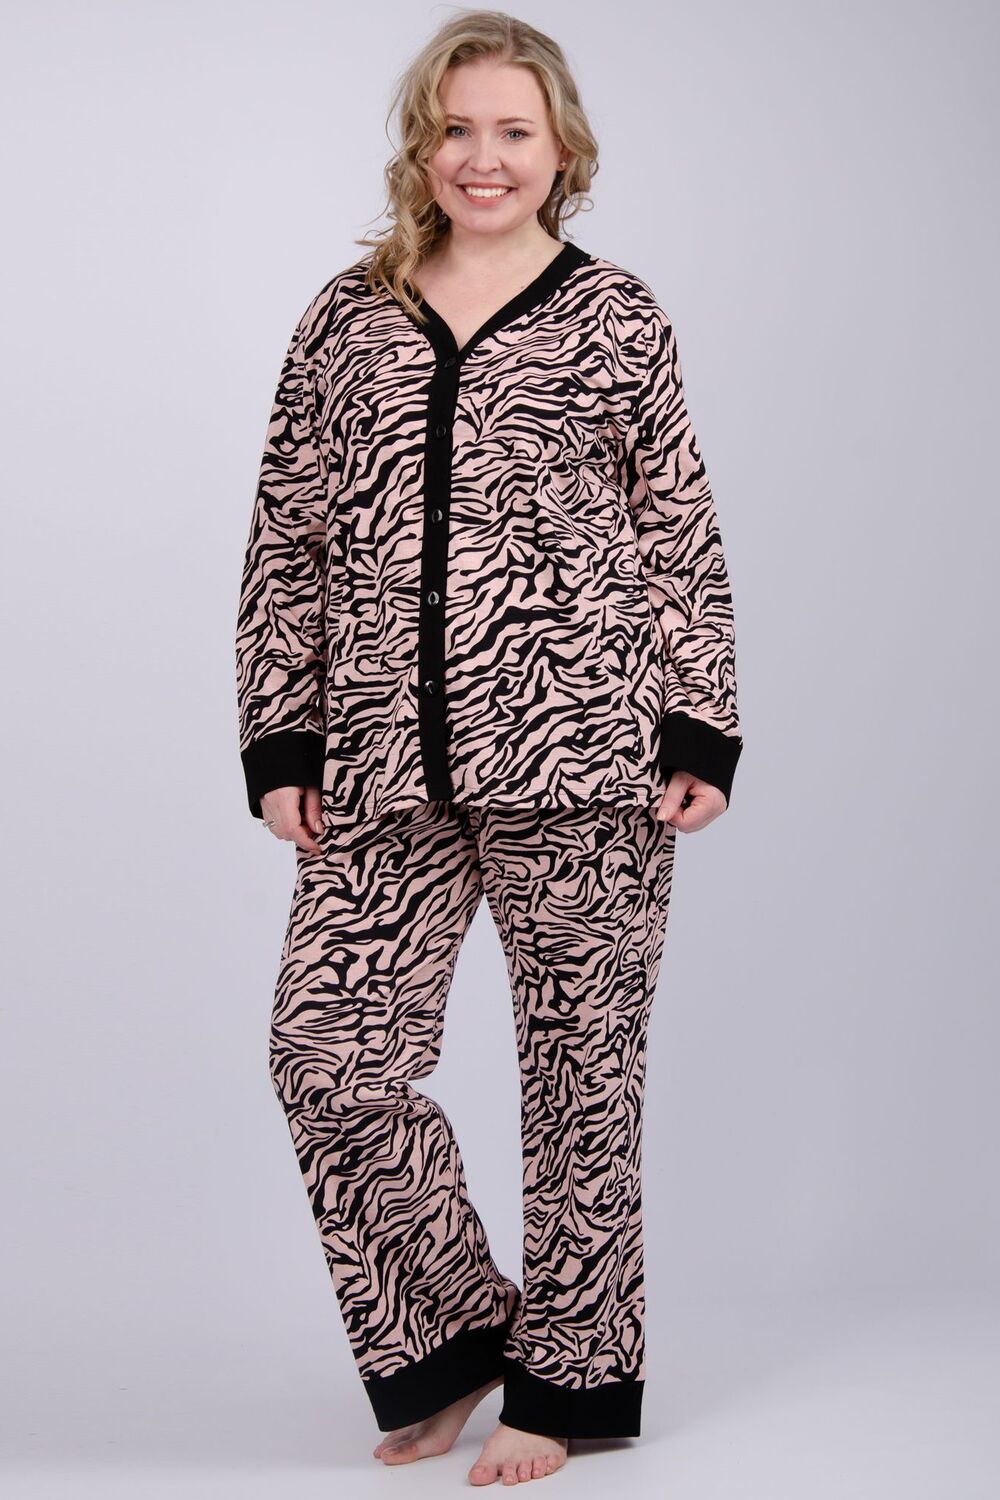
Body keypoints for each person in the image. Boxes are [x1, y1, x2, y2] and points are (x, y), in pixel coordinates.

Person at [234, 11, 744, 1488]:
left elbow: (677, 527)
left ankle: (567, 1388)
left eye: (514, 130)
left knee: (582, 1082)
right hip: (381, 759)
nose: (484, 157)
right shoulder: (347, 318)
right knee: (326, 1058)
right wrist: (282, 733)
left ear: (561, 146)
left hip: (588, 756)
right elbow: (288, 535)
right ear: (422, 143)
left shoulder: (618, 317)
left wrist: (701, 717)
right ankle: (459, 1334)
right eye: (457, 128)